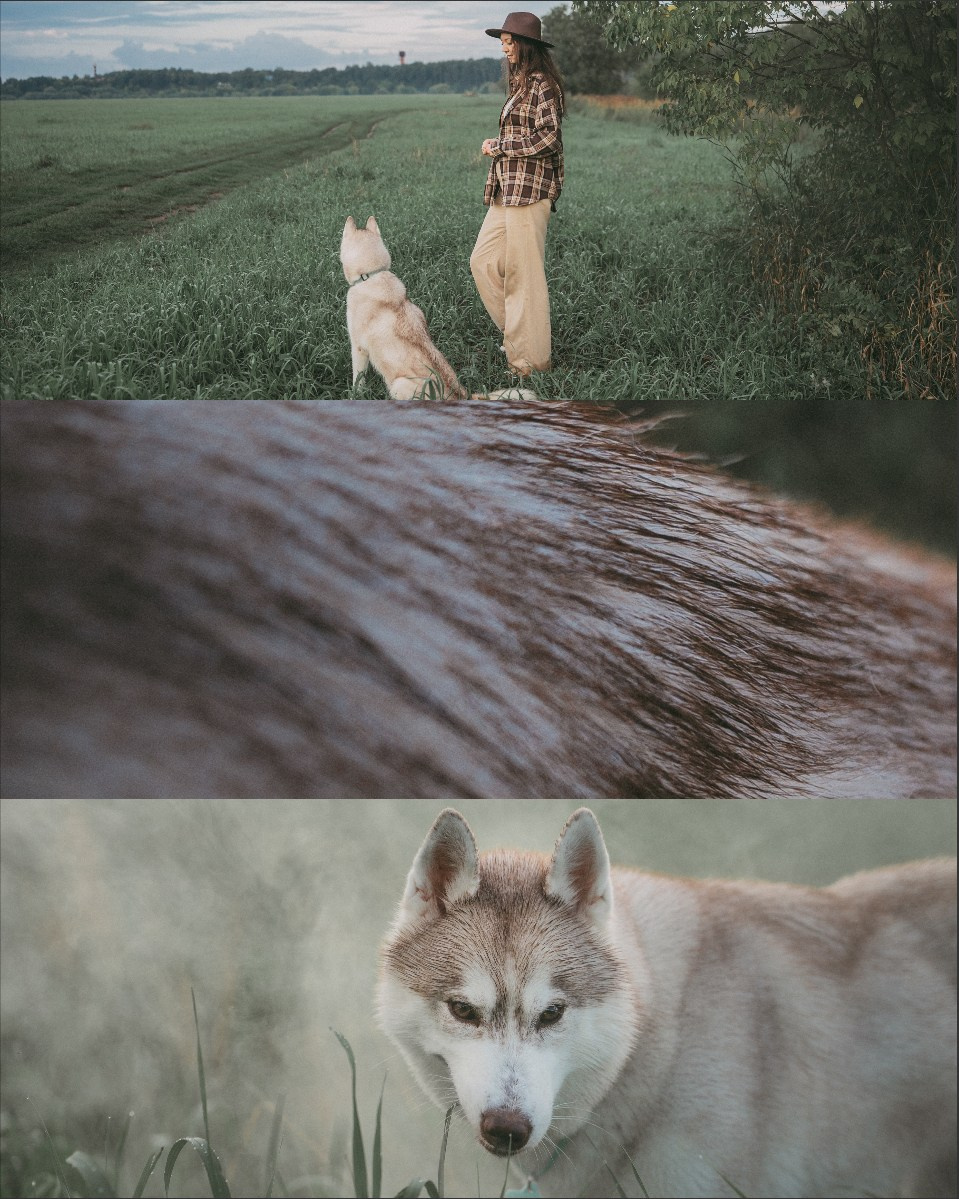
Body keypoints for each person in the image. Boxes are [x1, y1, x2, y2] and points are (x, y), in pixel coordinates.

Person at [470, 11, 565, 378]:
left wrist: (501, 146)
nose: (504, 49)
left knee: (524, 278)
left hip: (531, 190)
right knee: (483, 262)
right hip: (506, 190)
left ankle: (531, 363)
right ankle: (520, 338)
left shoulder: (543, 84)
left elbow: (548, 137)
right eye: (503, 43)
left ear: (526, 45)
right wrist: (499, 143)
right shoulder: (520, 84)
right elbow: (522, 135)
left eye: (509, 43)